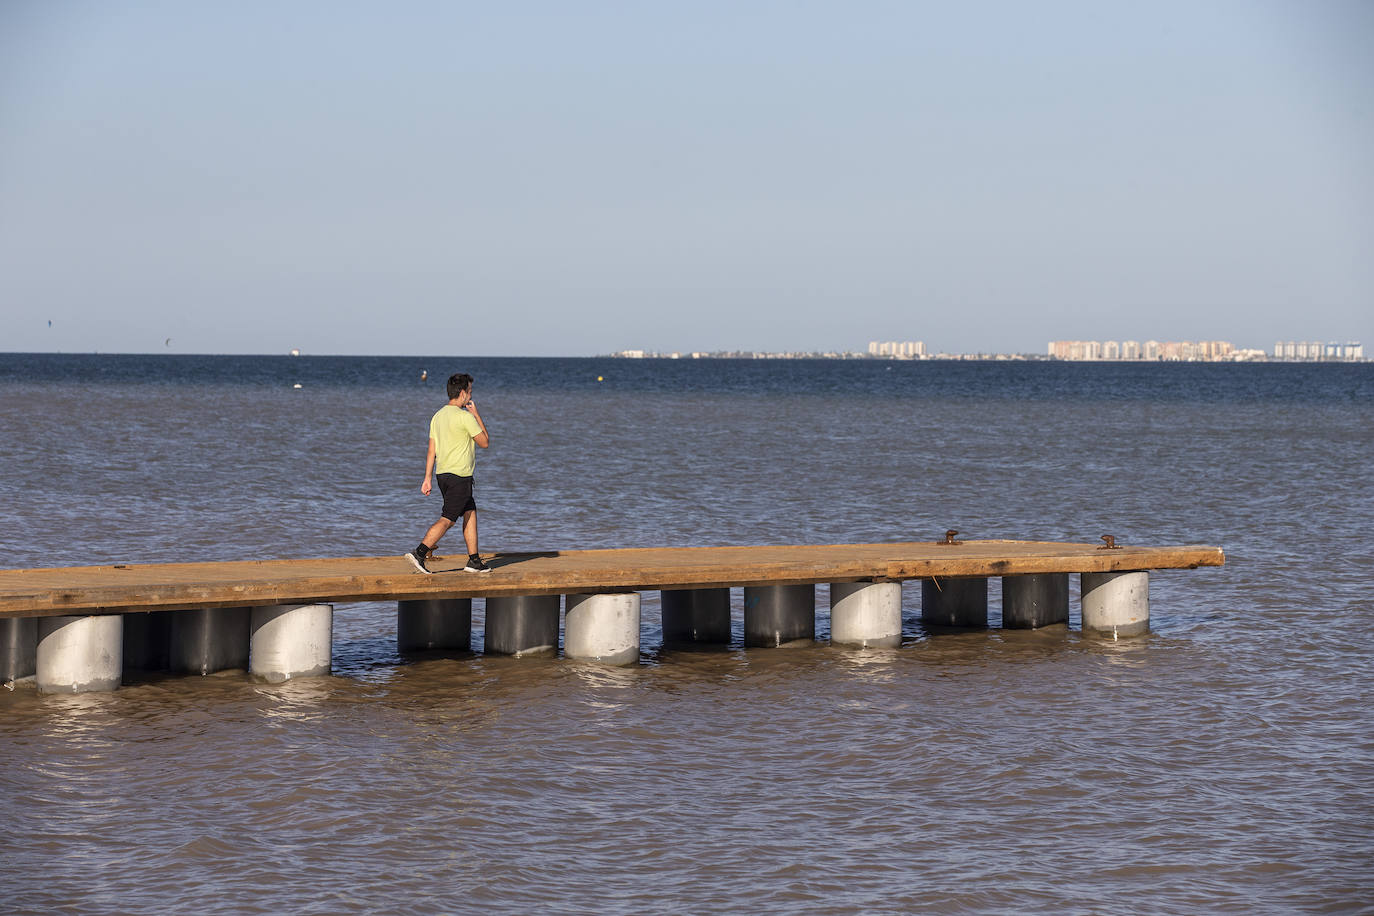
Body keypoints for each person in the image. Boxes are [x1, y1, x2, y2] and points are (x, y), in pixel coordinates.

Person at [404, 372, 491, 574]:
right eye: (469, 392)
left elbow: (431, 450)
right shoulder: (465, 417)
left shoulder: (438, 416)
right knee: (448, 519)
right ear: (462, 393)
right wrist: (477, 415)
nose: (470, 396)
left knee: (470, 511)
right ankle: (419, 552)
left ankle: (474, 560)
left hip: (442, 475)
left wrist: (427, 478)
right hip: (460, 476)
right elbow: (485, 442)